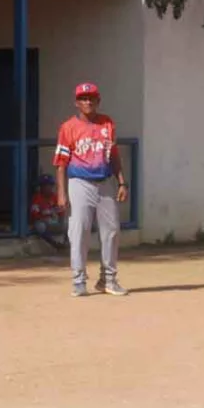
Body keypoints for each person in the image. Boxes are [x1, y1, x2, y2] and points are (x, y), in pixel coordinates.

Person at [54, 82, 129, 297]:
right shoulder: (68, 127)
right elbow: (61, 163)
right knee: (79, 232)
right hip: (79, 182)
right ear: (77, 102)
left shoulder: (107, 123)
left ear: (98, 101)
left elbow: (113, 155)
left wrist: (122, 182)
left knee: (112, 230)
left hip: (105, 182)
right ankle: (79, 280)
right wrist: (61, 193)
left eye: (91, 98)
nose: (87, 102)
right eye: (83, 98)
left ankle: (108, 279)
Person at [30, 174, 67, 251]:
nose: (47, 188)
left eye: (50, 185)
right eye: (45, 186)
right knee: (40, 226)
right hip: (42, 222)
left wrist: (60, 221)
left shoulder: (55, 197)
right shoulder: (37, 198)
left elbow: (61, 212)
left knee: (68, 224)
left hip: (52, 222)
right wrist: (46, 214)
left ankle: (66, 244)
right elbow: (35, 215)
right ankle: (54, 244)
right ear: (41, 187)